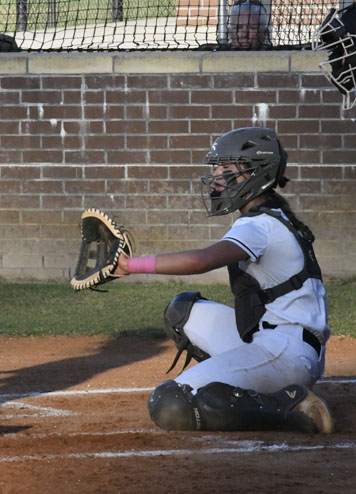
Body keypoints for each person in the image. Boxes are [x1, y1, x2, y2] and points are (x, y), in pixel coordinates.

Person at [114, 127, 333, 434]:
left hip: (285, 355)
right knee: (183, 312)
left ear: (258, 173)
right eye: (217, 167)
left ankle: (287, 406)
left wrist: (130, 265)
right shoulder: (272, 216)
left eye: (227, 168)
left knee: (171, 404)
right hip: (283, 341)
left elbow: (201, 261)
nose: (217, 176)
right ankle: (235, 385)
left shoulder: (259, 225)